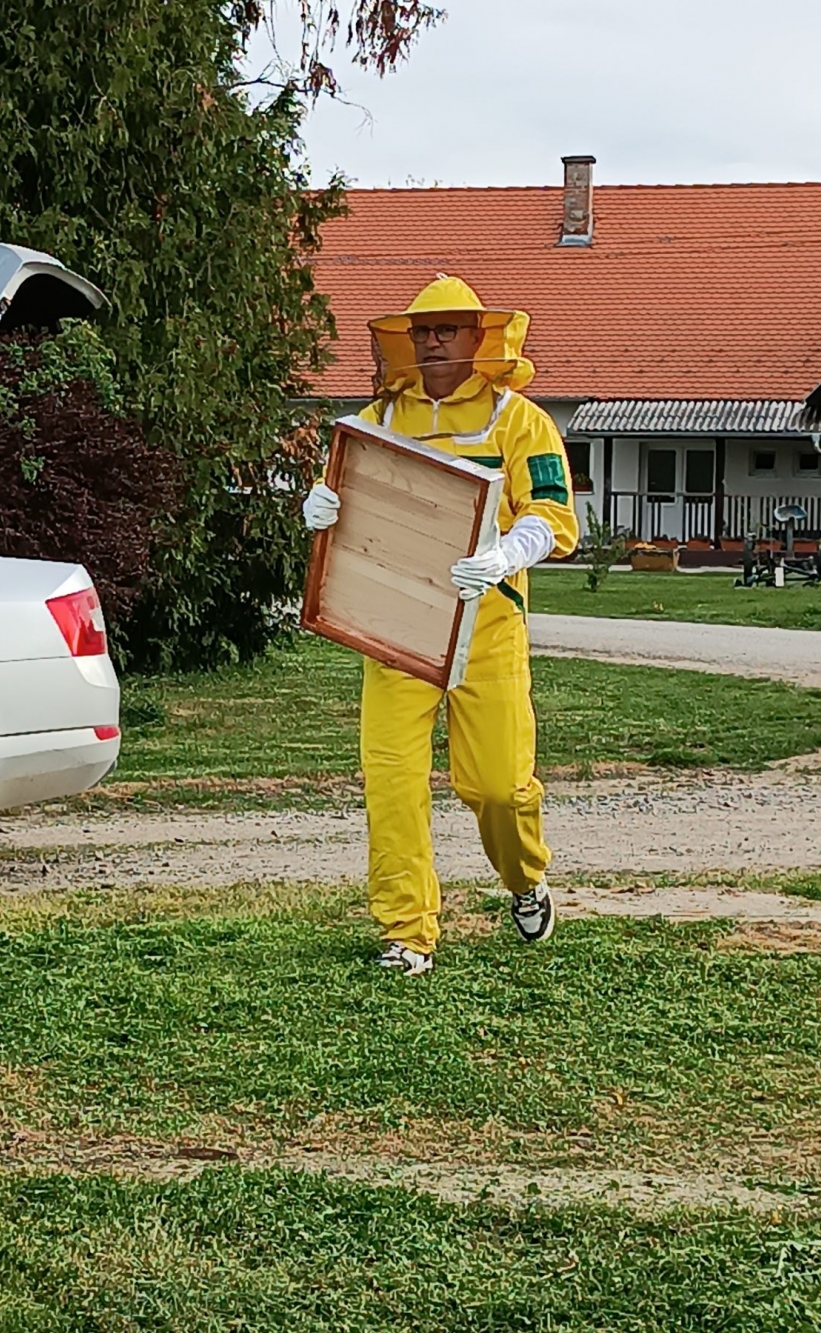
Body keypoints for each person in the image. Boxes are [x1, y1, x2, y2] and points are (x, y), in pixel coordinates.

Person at [302, 275, 579, 976]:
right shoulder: (380, 418)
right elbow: (349, 490)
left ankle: (524, 879)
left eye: (447, 329)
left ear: (480, 339)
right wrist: (323, 508)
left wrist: (506, 552)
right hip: (396, 623)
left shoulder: (521, 422)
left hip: (488, 626)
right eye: (424, 330)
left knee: (497, 786)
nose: (432, 341)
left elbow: (553, 515)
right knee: (391, 777)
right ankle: (407, 933)